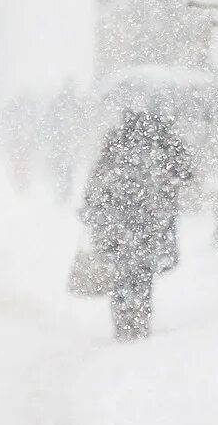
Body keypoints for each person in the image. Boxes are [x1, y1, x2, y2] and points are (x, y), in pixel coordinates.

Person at [79, 108, 195, 341]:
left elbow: (98, 177)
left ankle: (124, 316)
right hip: (149, 217)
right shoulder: (162, 141)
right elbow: (186, 172)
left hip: (119, 218)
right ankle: (138, 315)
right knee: (142, 269)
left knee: (123, 267)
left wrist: (93, 207)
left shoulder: (117, 140)